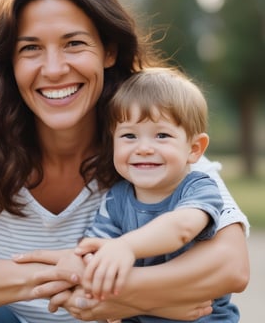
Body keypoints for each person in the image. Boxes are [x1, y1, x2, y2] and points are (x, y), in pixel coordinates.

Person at [0, 0, 249, 322]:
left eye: (74, 43)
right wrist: (73, 278)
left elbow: (231, 266)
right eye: (30, 48)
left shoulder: (146, 134)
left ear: (108, 50)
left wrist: (130, 298)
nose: (54, 69)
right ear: (9, 62)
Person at [74, 68, 239, 322]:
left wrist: (126, 247)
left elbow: (181, 228)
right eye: (129, 136)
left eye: (162, 135)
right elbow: (94, 262)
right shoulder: (115, 199)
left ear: (194, 149)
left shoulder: (199, 188)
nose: (144, 148)